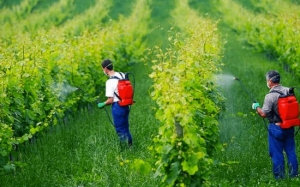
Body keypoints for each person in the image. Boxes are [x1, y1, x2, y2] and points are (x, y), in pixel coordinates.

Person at [252, 70, 298, 179]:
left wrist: (256, 107)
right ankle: (294, 175)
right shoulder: (288, 90)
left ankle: (279, 178)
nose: (267, 82)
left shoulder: (270, 96)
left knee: (276, 154)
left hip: (276, 128)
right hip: (289, 126)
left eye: (267, 80)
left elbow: (263, 113)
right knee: (291, 152)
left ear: (271, 81)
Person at [97, 59, 133, 148]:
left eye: (103, 69)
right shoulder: (122, 74)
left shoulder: (109, 82)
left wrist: (102, 104)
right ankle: (131, 146)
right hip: (126, 105)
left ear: (105, 69)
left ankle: (126, 149)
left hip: (118, 107)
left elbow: (110, 100)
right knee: (126, 127)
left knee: (120, 129)